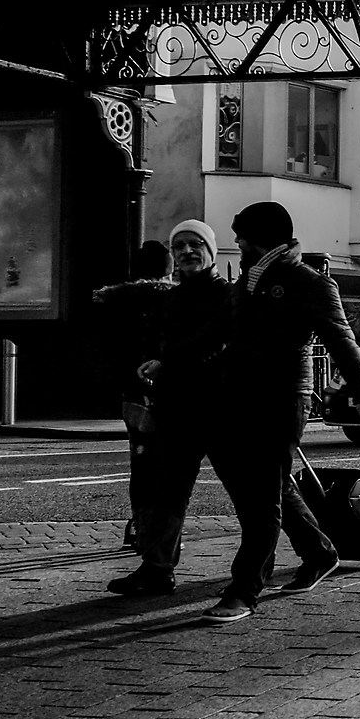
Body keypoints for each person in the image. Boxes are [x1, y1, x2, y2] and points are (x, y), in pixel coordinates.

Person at [202, 203, 360, 623]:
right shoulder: (248, 280)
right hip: (238, 397)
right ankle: (319, 553)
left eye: (241, 234)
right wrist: (166, 360)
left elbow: (341, 340)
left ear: (261, 236)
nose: (237, 242)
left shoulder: (307, 283)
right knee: (269, 487)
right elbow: (218, 333)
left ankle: (244, 591)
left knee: (261, 497)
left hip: (281, 398)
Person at [110, 221, 236, 597]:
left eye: (196, 244)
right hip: (177, 408)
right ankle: (157, 569)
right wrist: (148, 364)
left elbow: (216, 343)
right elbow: (156, 342)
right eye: (179, 246)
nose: (187, 252)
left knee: (255, 489)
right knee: (166, 490)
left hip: (219, 408)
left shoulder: (226, 295)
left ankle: (316, 548)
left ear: (211, 251)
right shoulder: (171, 297)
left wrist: (167, 363)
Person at [95, 240, 175, 555]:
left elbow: (109, 350)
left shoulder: (116, 301)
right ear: (169, 269)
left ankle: (141, 526)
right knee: (170, 465)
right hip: (170, 391)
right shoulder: (176, 300)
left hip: (132, 394)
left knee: (141, 462)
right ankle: (165, 533)